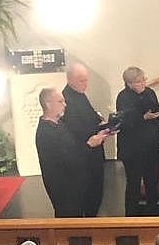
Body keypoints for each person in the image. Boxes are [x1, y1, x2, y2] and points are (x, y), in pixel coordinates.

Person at [36, 87, 109, 217]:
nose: (65, 105)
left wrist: (99, 134)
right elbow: (68, 158)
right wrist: (90, 144)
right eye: (60, 101)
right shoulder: (46, 132)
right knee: (69, 223)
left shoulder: (59, 124)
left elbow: (73, 147)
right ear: (48, 104)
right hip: (64, 188)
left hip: (74, 184)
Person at [115, 67, 159, 216]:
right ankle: (131, 217)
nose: (143, 83)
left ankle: (152, 214)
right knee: (134, 184)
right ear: (129, 84)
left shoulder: (150, 93)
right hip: (133, 150)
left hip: (151, 147)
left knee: (152, 183)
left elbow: (155, 109)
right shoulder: (123, 97)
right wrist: (143, 118)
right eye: (138, 81)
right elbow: (124, 121)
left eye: (144, 79)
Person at [60, 63, 106, 216]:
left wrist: (103, 125)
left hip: (93, 152)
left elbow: (91, 117)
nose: (85, 84)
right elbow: (74, 129)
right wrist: (97, 129)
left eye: (86, 80)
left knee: (96, 194)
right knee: (87, 197)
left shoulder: (80, 95)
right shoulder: (66, 99)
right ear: (70, 79)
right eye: (81, 80)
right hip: (83, 156)